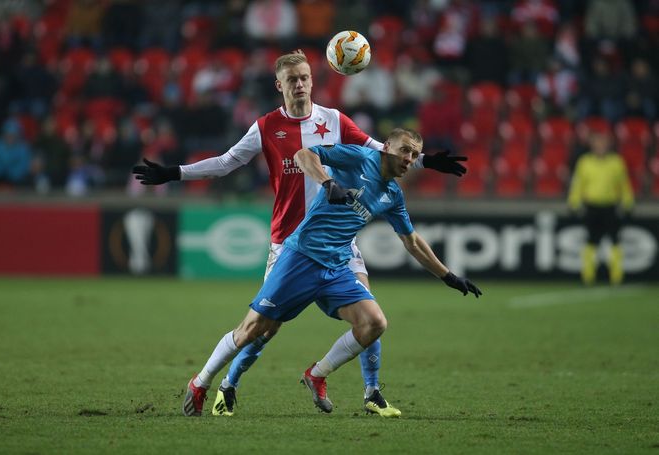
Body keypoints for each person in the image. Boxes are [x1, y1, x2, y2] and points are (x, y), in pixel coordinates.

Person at [133, 50, 468, 418]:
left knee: (371, 317)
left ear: (312, 80)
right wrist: (175, 173)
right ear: (280, 85)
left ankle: (371, 390)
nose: (300, 85)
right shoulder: (265, 127)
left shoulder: (335, 119)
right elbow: (226, 163)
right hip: (290, 241)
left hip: (339, 240)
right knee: (263, 330)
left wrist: (426, 161)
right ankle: (226, 385)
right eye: (292, 79)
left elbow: (382, 151)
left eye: (305, 78)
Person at [178, 127, 482, 417]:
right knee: (255, 329)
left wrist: (449, 276)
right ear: (386, 147)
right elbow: (303, 155)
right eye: (405, 150)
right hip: (301, 257)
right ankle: (202, 383)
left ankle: (317, 374)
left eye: (415, 155)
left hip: (337, 267)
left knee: (374, 323)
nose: (409, 159)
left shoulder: (393, 195)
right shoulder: (359, 157)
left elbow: (412, 242)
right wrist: (327, 182)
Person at [567, 130, 634, 285]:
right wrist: (574, 203)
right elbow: (578, 185)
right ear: (592, 145)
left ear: (608, 145)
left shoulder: (616, 162)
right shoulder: (585, 162)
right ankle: (588, 276)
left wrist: (628, 203)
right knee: (591, 241)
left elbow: (624, 185)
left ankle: (617, 277)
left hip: (610, 206)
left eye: (603, 143)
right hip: (592, 207)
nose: (600, 146)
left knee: (615, 241)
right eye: (597, 143)